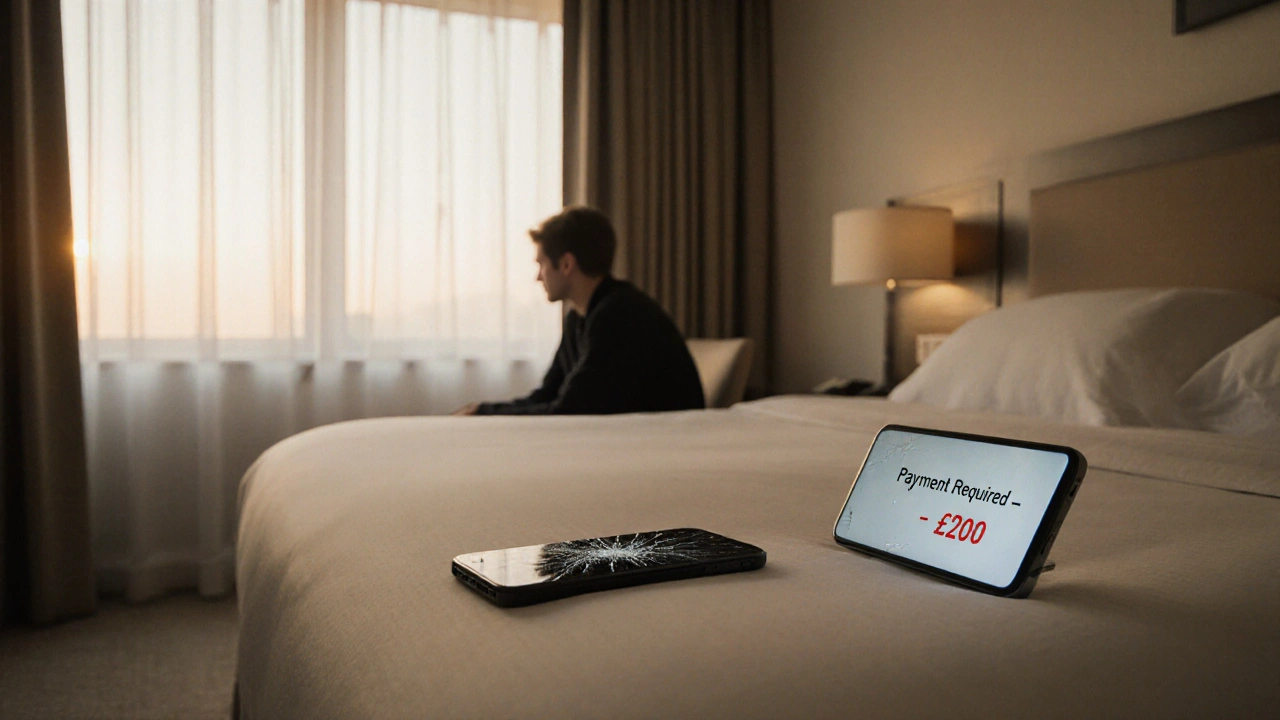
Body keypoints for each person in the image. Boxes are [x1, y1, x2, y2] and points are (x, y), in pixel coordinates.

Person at [453, 206, 704, 416]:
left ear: (566, 264)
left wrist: (488, 414)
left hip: (662, 443)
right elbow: (549, 395)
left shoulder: (620, 315)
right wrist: (482, 411)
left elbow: (569, 409)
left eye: (541, 264)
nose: (538, 277)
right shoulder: (579, 318)